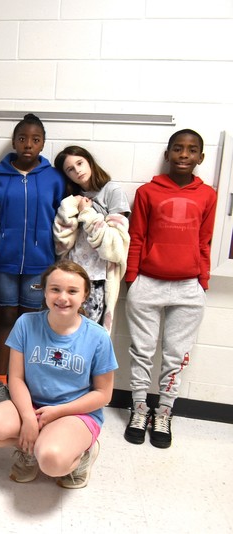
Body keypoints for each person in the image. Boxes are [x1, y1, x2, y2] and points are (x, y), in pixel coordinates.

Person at [0, 260, 117, 490]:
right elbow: (16, 378)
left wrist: (57, 412)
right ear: (44, 291)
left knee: (51, 460)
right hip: (33, 405)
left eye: (72, 291)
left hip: (75, 413)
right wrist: (29, 417)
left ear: (85, 295)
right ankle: (31, 449)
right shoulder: (26, 324)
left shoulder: (98, 337)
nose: (62, 297)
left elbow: (103, 394)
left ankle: (82, 453)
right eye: (55, 289)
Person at [123, 129, 217, 449]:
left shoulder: (209, 195)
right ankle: (138, 407)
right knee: (142, 351)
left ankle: (163, 411)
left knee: (175, 356)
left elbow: (205, 240)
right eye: (178, 148)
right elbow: (136, 236)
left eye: (192, 150)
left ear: (200, 158)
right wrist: (132, 278)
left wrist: (202, 281)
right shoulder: (148, 192)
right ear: (167, 154)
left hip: (188, 287)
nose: (184, 155)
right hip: (148, 282)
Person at [0, 113, 66, 406]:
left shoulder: (54, 177)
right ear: (14, 141)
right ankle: (0, 381)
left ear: (43, 143)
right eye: (22, 139)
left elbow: (64, 218)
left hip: (39, 264)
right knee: (6, 318)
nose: (28, 145)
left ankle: (28, 382)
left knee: (32, 323)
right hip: (4, 262)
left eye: (35, 139)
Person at [53, 146, 130, 332]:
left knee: (90, 333)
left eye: (80, 163)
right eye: (70, 169)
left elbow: (115, 244)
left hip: (98, 277)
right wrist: (70, 209)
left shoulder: (112, 191)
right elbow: (61, 243)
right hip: (72, 272)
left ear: (89, 161)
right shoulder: (71, 198)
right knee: (66, 330)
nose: (77, 170)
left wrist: (87, 213)